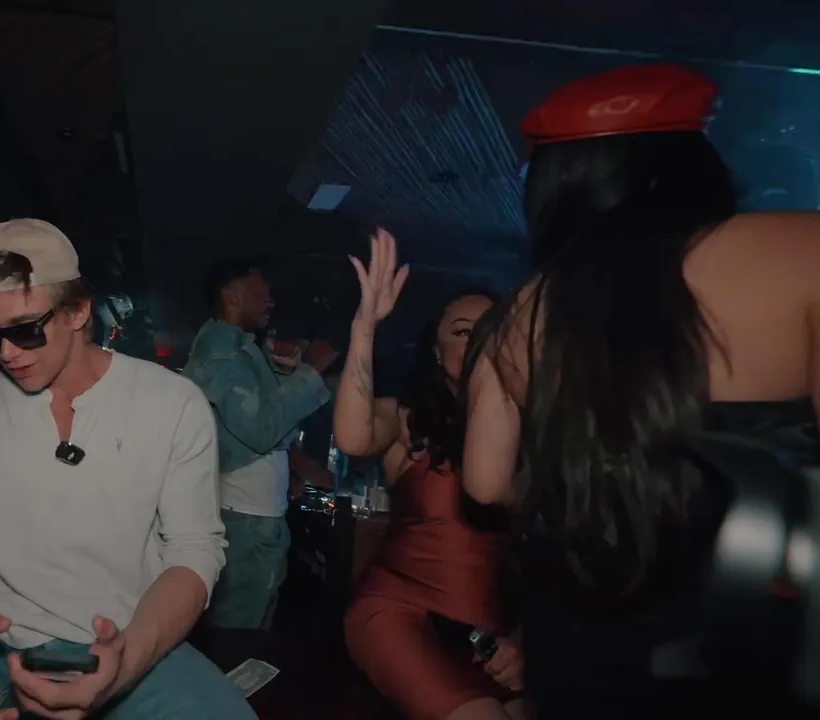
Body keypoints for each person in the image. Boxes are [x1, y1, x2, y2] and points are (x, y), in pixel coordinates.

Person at [460, 64, 820, 718]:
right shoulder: (802, 250)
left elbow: (485, 486)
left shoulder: (522, 312)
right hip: (754, 646)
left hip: (580, 645)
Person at [0, 218, 254, 720]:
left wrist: (125, 665)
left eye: (25, 329)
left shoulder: (174, 404)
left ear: (78, 311)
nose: (7, 353)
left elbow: (194, 550)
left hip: (129, 640)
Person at [334, 233, 523, 720]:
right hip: (400, 614)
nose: (478, 342)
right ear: (437, 353)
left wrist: (522, 640)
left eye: (490, 330)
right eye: (462, 332)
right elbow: (354, 437)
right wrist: (364, 328)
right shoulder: (409, 420)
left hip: (490, 640)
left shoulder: (530, 438)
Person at [182, 258, 338, 629]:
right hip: (244, 526)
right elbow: (261, 429)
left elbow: (264, 430)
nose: (271, 301)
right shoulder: (222, 355)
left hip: (254, 521)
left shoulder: (240, 352)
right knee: (236, 636)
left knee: (250, 631)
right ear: (233, 296)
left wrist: (284, 375)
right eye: (262, 292)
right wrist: (310, 372)